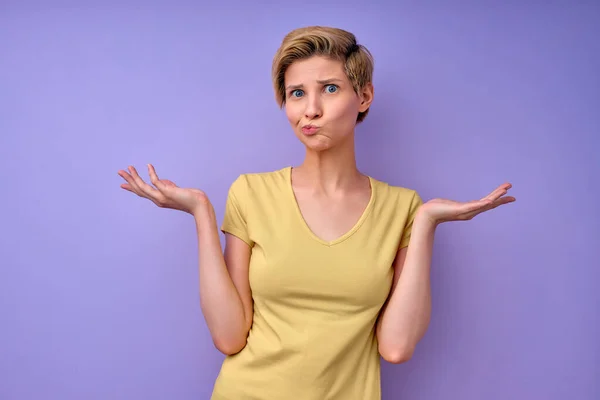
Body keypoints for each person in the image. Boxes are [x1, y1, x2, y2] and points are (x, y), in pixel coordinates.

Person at [117, 26, 515, 400]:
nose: (311, 109)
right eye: (296, 94)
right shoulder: (251, 194)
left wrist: (427, 223)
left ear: (364, 97)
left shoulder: (403, 208)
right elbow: (229, 338)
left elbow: (396, 347)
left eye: (329, 88)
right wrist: (202, 214)